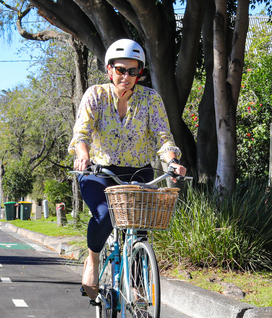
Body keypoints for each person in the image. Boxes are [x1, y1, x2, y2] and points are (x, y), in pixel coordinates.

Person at [70, 39, 186, 300]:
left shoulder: (151, 99)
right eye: (120, 70)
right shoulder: (96, 95)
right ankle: (93, 260)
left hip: (137, 173)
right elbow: (82, 133)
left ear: (139, 74)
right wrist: (83, 156)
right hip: (99, 172)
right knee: (103, 215)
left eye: (133, 71)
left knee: (139, 227)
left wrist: (172, 162)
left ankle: (136, 286)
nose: (126, 76)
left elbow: (163, 136)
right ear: (109, 70)